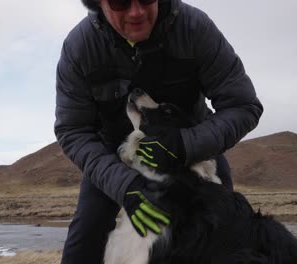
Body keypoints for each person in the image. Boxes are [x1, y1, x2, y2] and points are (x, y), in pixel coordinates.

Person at [54, 0, 263, 263]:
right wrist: (124, 185)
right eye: (119, 2)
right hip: (113, 155)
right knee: (85, 240)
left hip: (194, 153)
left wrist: (186, 144)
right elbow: (73, 130)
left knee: (224, 237)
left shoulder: (194, 28)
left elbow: (243, 105)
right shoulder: (80, 47)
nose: (136, 11)